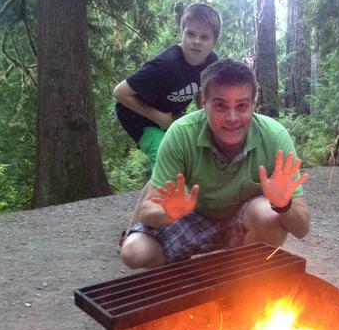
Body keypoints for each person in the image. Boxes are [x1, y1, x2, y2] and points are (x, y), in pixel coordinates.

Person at [120, 60, 310, 269]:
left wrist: (283, 205)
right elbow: (148, 211)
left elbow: (302, 229)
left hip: (243, 223)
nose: (232, 118)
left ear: (253, 105)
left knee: (269, 216)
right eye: (221, 105)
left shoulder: (274, 137)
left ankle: (241, 275)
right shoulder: (181, 133)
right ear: (204, 102)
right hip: (194, 217)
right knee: (133, 252)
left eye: (242, 106)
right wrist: (168, 213)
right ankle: (185, 271)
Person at [113, 2, 222, 166]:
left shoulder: (211, 61)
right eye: (190, 34)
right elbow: (119, 92)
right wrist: (159, 117)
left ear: (214, 42)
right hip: (138, 117)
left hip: (169, 116)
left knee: (194, 153)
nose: (196, 41)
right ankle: (160, 190)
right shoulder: (165, 64)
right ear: (181, 35)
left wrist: (206, 115)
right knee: (165, 157)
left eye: (204, 37)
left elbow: (201, 87)